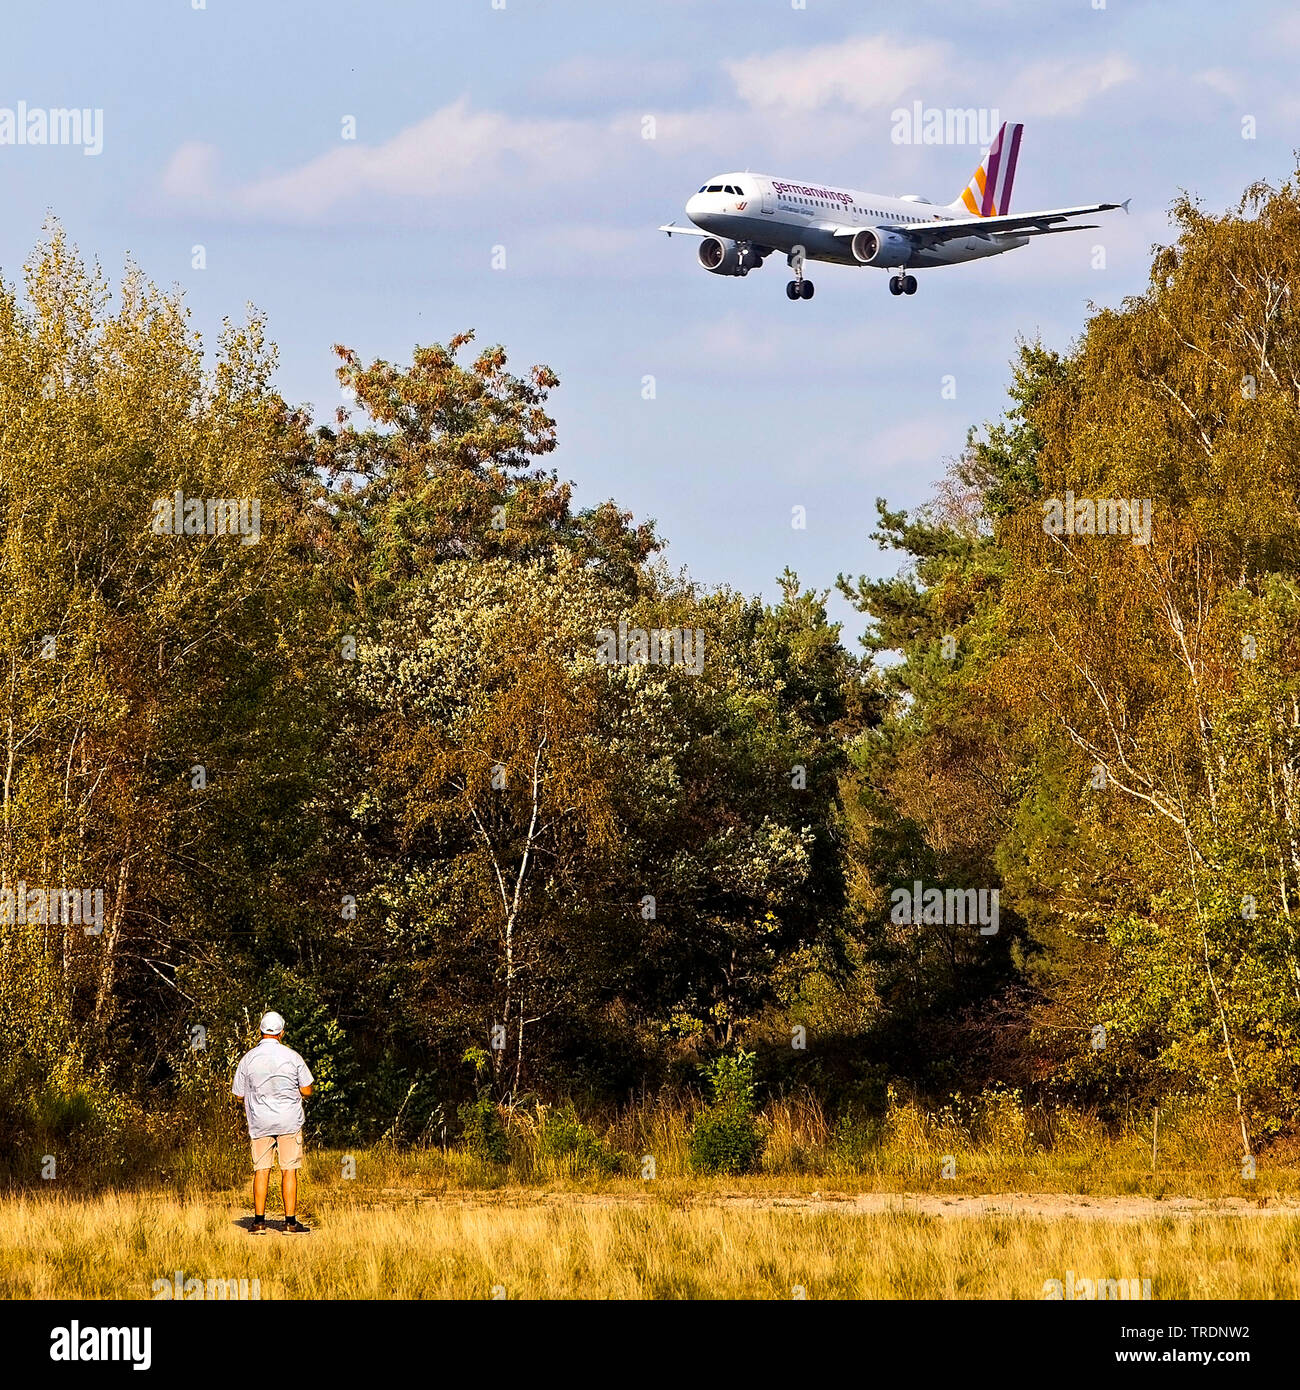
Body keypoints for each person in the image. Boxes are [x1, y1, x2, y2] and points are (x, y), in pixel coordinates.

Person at [231, 1011, 314, 1234]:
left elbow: (238, 1095)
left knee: (262, 1170)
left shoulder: (248, 1058)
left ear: (260, 1031)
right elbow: (307, 1090)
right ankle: (290, 1222)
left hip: (260, 1121)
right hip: (288, 1120)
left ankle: (259, 1222)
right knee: (289, 1170)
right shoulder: (293, 1057)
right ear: (282, 1033)